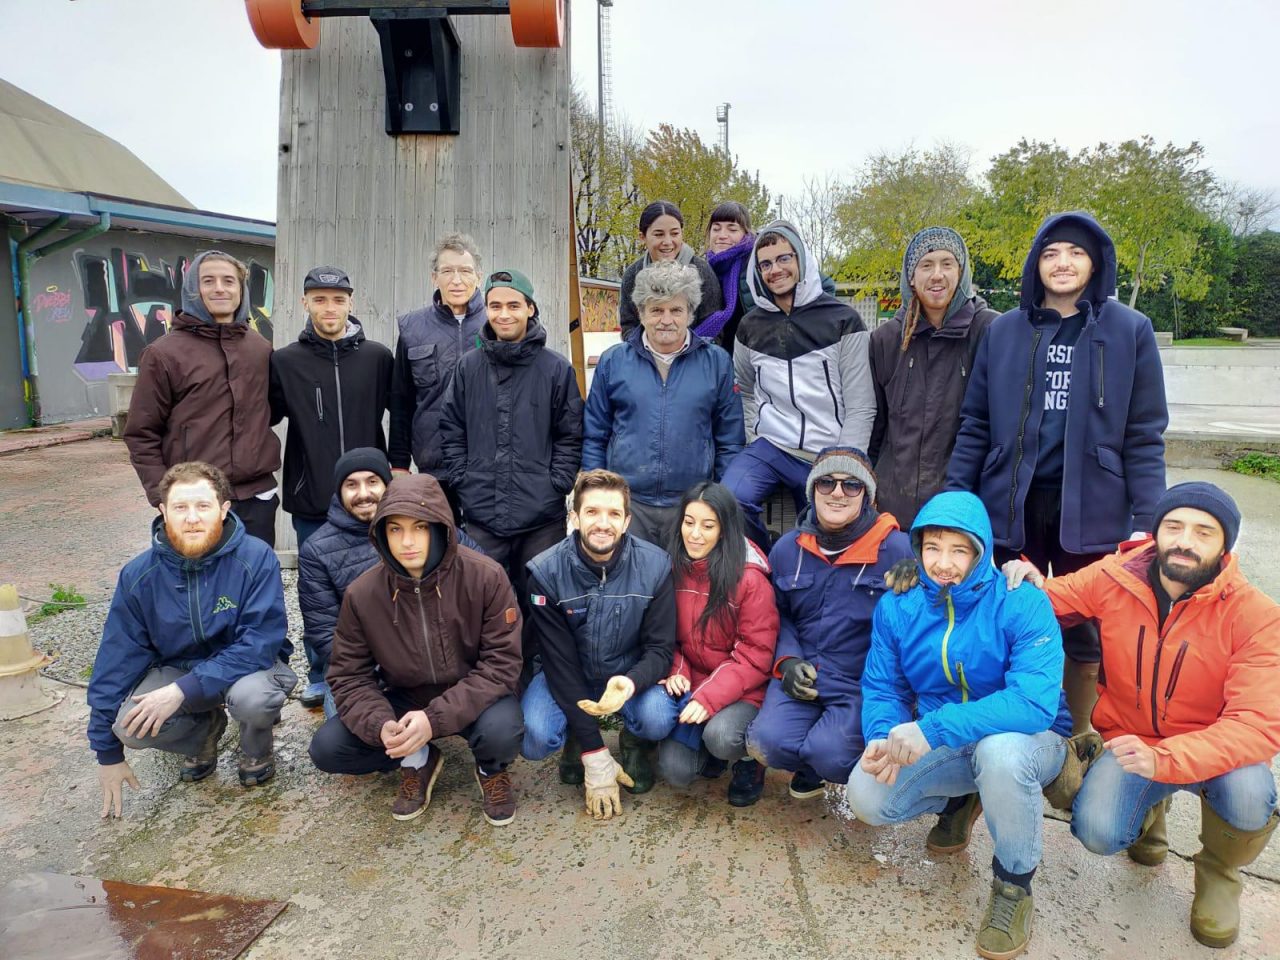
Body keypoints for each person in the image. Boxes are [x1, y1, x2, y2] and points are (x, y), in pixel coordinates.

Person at [1004, 482, 1280, 949]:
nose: (1185, 542)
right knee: (1097, 831)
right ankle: (1152, 815)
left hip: (1213, 751)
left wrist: (1165, 761)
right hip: (1132, 744)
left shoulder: (1255, 615)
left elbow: (1256, 724)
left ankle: (1218, 873)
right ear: (1156, 533)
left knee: (1251, 794)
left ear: (1225, 546)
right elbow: (1050, 599)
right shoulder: (1116, 577)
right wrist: (1021, 575)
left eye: (1203, 532)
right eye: (1173, 527)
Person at [946, 211, 1169, 734]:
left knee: (1088, 625)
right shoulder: (1004, 331)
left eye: (1075, 253)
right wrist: (958, 502)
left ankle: (1080, 737)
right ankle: (998, 729)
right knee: (1001, 616)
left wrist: (1147, 518)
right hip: (1011, 501)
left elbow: (1144, 432)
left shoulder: (1130, 331)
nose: (1062, 263)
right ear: (1035, 264)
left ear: (1095, 263)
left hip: (1092, 504)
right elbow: (975, 422)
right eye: (1050, 254)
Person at [846, 490, 1071, 960]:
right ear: (917, 548)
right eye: (932, 547)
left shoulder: (1019, 600)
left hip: (1030, 740)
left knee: (1000, 755)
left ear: (982, 550)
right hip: (948, 741)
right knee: (865, 794)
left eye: (958, 549)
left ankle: (1013, 885)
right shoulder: (899, 605)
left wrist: (931, 730)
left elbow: (1033, 702)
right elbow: (884, 686)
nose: (943, 563)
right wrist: (881, 736)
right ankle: (962, 799)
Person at [308, 474, 526, 827]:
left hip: (475, 692)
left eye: (420, 527)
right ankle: (418, 759)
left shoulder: (486, 576)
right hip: (406, 696)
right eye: (394, 529)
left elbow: (501, 665)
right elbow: (348, 674)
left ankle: (490, 770)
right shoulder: (363, 594)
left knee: (503, 733)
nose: (407, 541)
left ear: (439, 527)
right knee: (328, 749)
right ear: (380, 533)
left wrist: (435, 719)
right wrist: (381, 725)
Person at [90, 462, 296, 818]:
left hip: (249, 671)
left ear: (224, 509)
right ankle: (204, 733)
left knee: (254, 699)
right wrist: (107, 752)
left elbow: (260, 643)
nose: (192, 518)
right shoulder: (139, 576)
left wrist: (182, 691)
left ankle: (256, 749)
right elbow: (116, 660)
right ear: (162, 512)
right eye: (180, 507)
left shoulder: (256, 558)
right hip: (181, 671)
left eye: (203, 506)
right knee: (128, 726)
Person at [745, 447, 911, 798]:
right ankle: (807, 767)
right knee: (765, 743)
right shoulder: (788, 549)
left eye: (851, 485)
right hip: (803, 672)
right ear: (811, 491)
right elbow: (779, 614)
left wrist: (922, 576)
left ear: (866, 495)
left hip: (859, 682)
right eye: (826, 483)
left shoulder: (898, 551)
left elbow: (949, 586)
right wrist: (787, 662)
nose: (838, 493)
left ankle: (826, 766)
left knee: (831, 754)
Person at [439, 268, 583, 673]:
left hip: (541, 517)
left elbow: (571, 434)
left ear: (530, 309)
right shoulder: (468, 368)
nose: (504, 314)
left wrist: (557, 482)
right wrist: (463, 478)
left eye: (513, 305)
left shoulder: (555, 370)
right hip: (483, 514)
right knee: (486, 599)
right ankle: (493, 674)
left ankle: (537, 672)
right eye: (496, 305)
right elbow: (451, 428)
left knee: (540, 597)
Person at [520, 470, 677, 821]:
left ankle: (635, 742)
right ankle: (580, 738)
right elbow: (558, 664)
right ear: (574, 516)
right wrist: (595, 753)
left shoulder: (655, 565)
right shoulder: (545, 573)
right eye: (592, 512)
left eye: (613, 514)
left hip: (627, 671)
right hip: (569, 672)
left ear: (626, 521)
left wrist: (632, 681)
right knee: (535, 735)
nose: (602, 523)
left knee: (659, 717)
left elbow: (661, 649)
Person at [726, 220, 877, 550]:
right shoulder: (749, 327)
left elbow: (862, 404)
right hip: (772, 447)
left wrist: (844, 463)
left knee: (820, 535)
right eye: (765, 264)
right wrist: (755, 435)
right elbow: (747, 390)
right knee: (729, 499)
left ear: (801, 260)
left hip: (826, 450)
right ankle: (764, 562)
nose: (775, 270)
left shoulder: (842, 319)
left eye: (784, 258)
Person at [297, 449, 484, 711]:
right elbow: (324, 631)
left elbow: (484, 585)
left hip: (443, 661)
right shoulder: (317, 550)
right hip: (364, 671)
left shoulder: (434, 526)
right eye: (351, 484)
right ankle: (422, 753)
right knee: (347, 739)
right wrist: (383, 669)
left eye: (372, 482)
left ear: (387, 484)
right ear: (339, 491)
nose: (363, 493)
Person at [123, 251, 281, 545]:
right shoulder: (164, 354)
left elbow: (270, 411)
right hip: (194, 499)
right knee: (196, 587)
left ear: (241, 289)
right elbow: (141, 433)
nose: (219, 288)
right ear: (192, 290)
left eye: (228, 281)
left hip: (255, 498)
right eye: (208, 281)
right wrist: (163, 494)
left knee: (254, 582)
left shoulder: (260, 348)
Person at [582, 260, 744, 545]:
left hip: (691, 506)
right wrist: (598, 494)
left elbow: (729, 440)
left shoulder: (717, 362)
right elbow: (595, 434)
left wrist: (717, 500)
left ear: (690, 314)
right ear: (641, 313)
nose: (666, 320)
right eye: (656, 310)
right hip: (627, 504)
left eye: (676, 310)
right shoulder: (614, 361)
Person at [654, 482, 778, 806]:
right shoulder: (672, 569)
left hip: (744, 690)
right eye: (689, 522)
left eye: (708, 526)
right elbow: (666, 635)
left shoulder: (749, 579)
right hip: (696, 684)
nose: (695, 534)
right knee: (676, 772)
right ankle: (711, 752)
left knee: (721, 736)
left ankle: (751, 763)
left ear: (724, 530)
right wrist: (676, 669)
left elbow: (756, 655)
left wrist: (709, 698)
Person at [868, 228, 998, 530]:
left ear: (961, 272)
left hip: (962, 505)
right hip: (893, 507)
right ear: (911, 277)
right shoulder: (886, 338)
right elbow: (877, 424)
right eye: (926, 265)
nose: (936, 275)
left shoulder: (990, 330)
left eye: (947, 264)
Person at [269, 266, 393, 548]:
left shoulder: (378, 358)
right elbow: (265, 417)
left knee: (375, 585)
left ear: (351, 303)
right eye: (319, 299)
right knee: (317, 584)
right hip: (312, 501)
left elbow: (402, 416)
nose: (329, 308)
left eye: (338, 300)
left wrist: (394, 468)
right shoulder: (285, 362)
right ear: (305, 303)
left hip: (369, 498)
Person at [388, 233, 487, 504]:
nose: (456, 280)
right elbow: (401, 401)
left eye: (465, 271)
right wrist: (398, 463)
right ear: (434, 277)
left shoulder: (497, 323)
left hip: (489, 467)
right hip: (434, 467)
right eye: (447, 271)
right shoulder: (412, 328)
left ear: (479, 276)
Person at [618, 201, 722, 340]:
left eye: (674, 234)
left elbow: (715, 326)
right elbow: (628, 326)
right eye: (659, 234)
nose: (667, 241)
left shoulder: (702, 271)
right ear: (642, 237)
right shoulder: (633, 275)